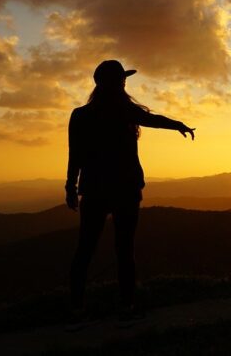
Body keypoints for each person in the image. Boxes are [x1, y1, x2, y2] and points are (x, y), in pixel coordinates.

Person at [65, 59, 195, 330]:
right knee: (125, 250)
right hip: (125, 190)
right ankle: (127, 308)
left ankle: (76, 311)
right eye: (122, 79)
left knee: (85, 250)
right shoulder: (124, 111)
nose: (125, 83)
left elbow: (74, 155)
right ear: (116, 83)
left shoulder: (80, 115)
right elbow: (153, 120)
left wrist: (71, 187)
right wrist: (179, 125)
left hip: (94, 191)